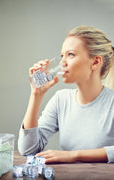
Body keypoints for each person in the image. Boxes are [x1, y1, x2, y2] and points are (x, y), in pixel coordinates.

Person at [18, 25, 114, 163]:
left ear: (95, 62)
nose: (62, 62)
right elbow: (27, 149)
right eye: (62, 55)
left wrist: (74, 155)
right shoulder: (61, 99)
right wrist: (36, 95)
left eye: (71, 54)